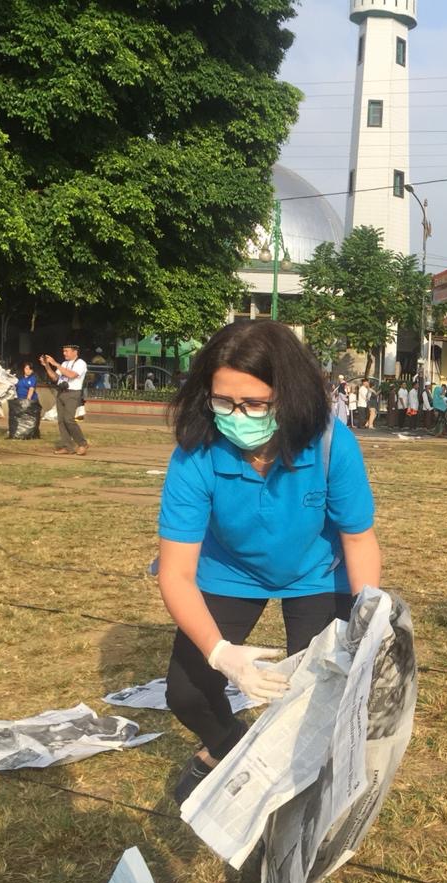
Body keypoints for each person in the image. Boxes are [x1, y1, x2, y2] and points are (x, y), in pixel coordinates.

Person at [156, 319, 381, 805]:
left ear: (289, 396)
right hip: (230, 570)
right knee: (188, 693)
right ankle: (227, 748)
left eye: (254, 404)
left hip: (317, 573)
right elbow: (175, 571)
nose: (237, 415)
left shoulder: (329, 443)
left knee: (319, 694)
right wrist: (220, 653)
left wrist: (365, 616)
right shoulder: (197, 452)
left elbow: (358, 539)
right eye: (223, 402)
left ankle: (302, 792)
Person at [39, 344, 88, 455]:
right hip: (61, 392)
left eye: (66, 351)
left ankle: (82, 443)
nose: (64, 353)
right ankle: (67, 446)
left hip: (73, 393)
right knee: (61, 421)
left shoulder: (81, 363)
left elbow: (71, 375)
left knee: (68, 419)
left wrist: (55, 363)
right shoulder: (64, 364)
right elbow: (55, 377)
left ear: (75, 352)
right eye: (63, 351)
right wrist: (47, 366)